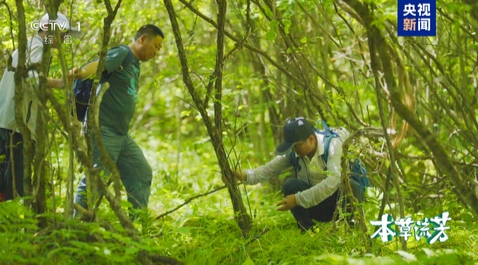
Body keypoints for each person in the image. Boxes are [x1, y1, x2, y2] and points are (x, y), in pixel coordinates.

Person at [71, 25, 164, 217]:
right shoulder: (123, 53)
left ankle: (136, 227)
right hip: (103, 129)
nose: (156, 52)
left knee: (141, 173)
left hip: (121, 135)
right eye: (155, 46)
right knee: (96, 179)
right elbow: (99, 65)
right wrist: (80, 72)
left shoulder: (134, 64)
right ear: (143, 39)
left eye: (159, 49)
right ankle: (75, 227)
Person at [0, 13, 81, 202]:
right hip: (17, 128)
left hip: (8, 124)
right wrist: (59, 82)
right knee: (16, 187)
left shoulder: (28, 47)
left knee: (5, 184)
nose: (64, 39)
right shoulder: (36, 47)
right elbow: (32, 79)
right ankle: (13, 228)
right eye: (62, 34)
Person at [235, 117, 362, 232]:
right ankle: (309, 231)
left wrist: (297, 199)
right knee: (290, 185)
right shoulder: (294, 153)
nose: (294, 150)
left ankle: (352, 229)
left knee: (351, 187)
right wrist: (243, 175)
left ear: (311, 139)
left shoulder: (333, 145)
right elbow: (267, 170)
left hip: (338, 204)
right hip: (315, 206)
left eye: (297, 146)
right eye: (292, 147)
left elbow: (333, 181)